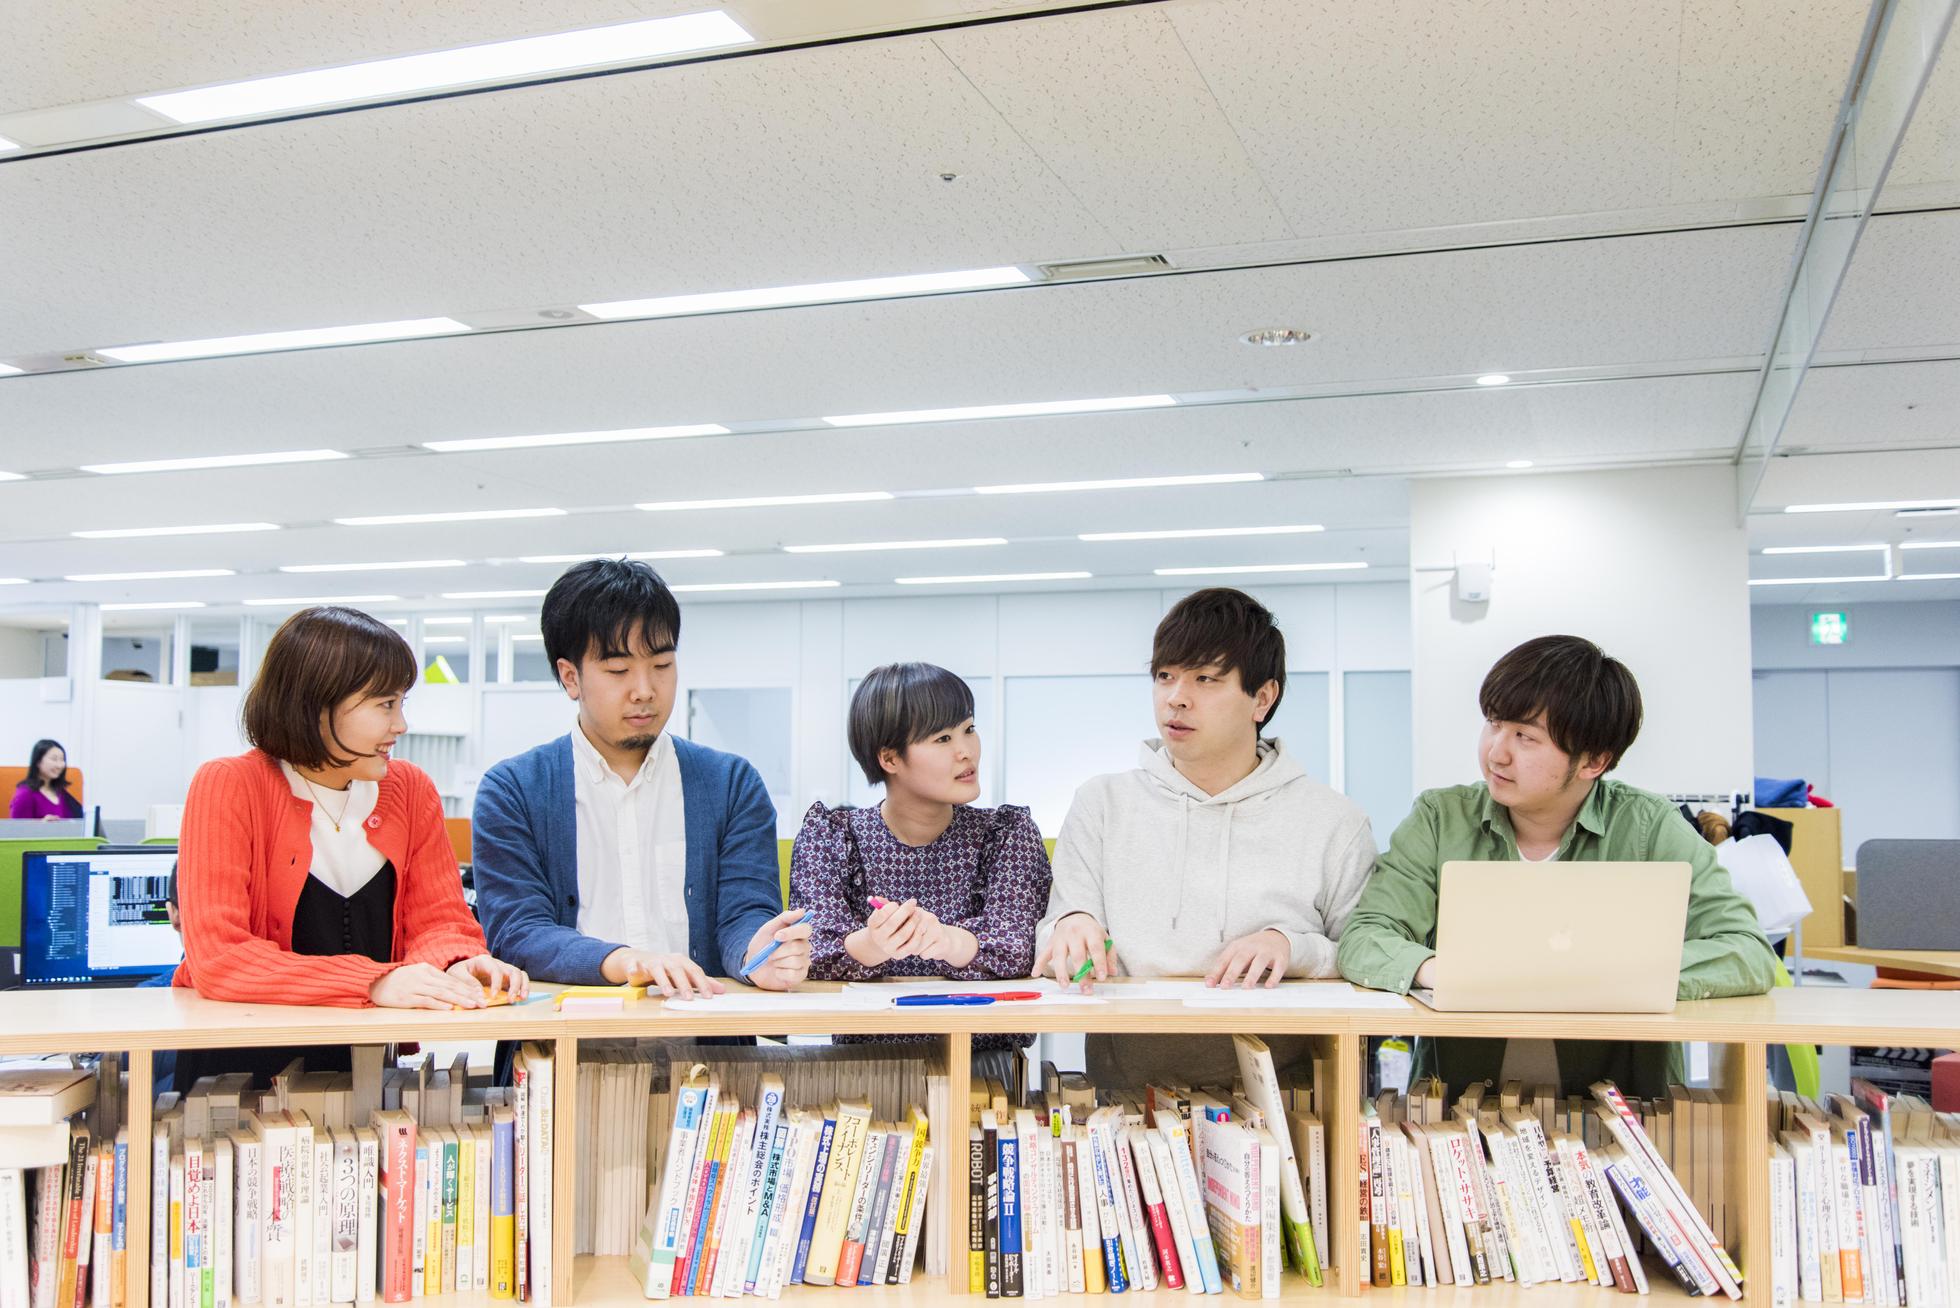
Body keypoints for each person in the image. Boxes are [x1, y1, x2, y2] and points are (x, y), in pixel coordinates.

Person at [1337, 634, 1778, 1097]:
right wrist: (1437, 970)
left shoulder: (1648, 827)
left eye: (1526, 737)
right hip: (1459, 1110)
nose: (1496, 752)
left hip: (1620, 1109)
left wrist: (1619, 974)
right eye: (1493, 724)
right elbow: (1365, 937)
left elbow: (1747, 952)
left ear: (1594, 760)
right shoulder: (1440, 819)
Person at [1033, 587, 1376, 1086]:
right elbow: (1052, 939)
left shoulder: (1334, 820)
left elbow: (1364, 957)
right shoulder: (1101, 803)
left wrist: (1290, 945)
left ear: (1262, 698)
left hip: (1287, 1103)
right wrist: (1071, 924)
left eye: (1205, 679)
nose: (1176, 697)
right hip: (1125, 1101)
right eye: (1165, 676)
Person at [173, 606, 527, 1086]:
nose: (401, 724)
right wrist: (374, 981)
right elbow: (220, 958)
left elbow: (440, 921)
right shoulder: (230, 785)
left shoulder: (409, 789)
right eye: (385, 705)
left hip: (363, 1069)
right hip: (235, 1075)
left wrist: (459, 962)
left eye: (401, 703)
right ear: (316, 705)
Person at [474, 558, 809, 994]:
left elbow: (744, 912)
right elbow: (519, 933)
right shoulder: (513, 791)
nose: (645, 690)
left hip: (703, 1028)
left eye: (662, 665)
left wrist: (757, 953)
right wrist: (626, 961)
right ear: (571, 677)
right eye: (618, 671)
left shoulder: (731, 785)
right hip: (567, 1030)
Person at [791, 662, 1051, 1080]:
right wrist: (875, 943)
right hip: (862, 1070)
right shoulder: (832, 835)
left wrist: (944, 940)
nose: (966, 751)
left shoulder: (1006, 833)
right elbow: (811, 952)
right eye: (943, 738)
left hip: (986, 1070)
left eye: (969, 729)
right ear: (890, 758)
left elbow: (1018, 949)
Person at [11, 739, 83, 820]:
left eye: (62, 760)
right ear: (38, 762)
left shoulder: (61, 793)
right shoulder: (25, 794)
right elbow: (17, 827)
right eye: (54, 759)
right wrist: (42, 825)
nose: (59, 765)